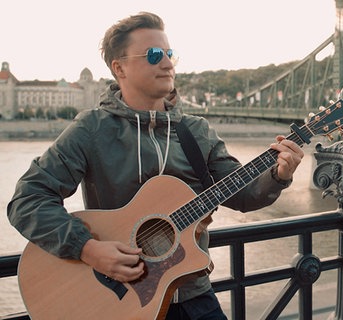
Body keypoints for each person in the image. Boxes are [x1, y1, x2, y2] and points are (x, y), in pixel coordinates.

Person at [7, 11, 304, 320]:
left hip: (193, 294)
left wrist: (278, 175)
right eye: (153, 55)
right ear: (118, 68)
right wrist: (88, 249)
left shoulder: (196, 131)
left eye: (170, 54)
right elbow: (27, 200)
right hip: (120, 303)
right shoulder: (92, 129)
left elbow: (243, 195)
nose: (167, 63)